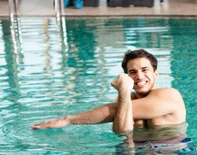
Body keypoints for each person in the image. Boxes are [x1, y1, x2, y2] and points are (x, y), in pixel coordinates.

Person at [31, 49, 186, 132]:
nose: (139, 76)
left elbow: (112, 111)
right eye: (132, 72)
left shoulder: (169, 95)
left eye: (145, 70)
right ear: (126, 76)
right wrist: (124, 93)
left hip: (173, 147)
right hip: (139, 150)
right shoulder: (126, 99)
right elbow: (122, 131)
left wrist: (67, 119)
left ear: (156, 73)